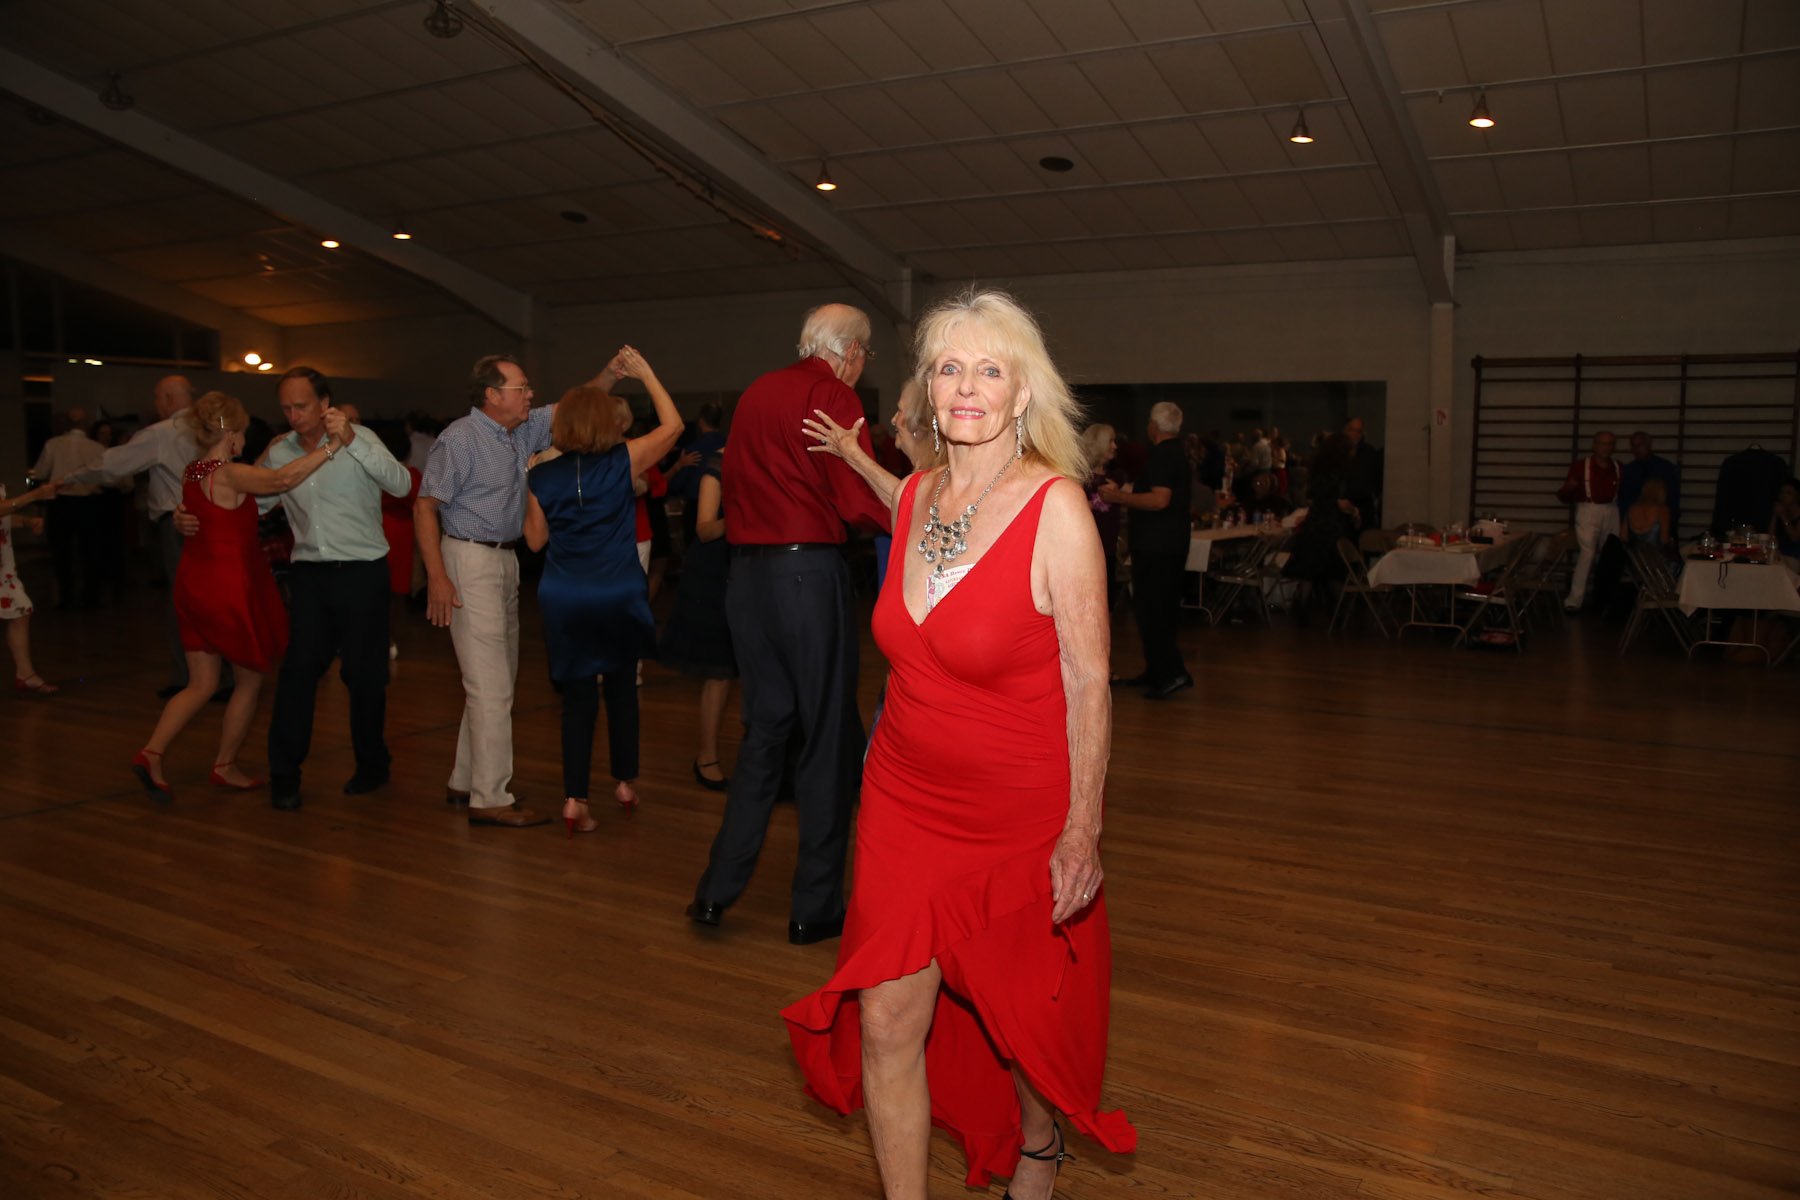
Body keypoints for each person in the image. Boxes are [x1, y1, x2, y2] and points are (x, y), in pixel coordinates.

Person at [789, 287, 1135, 1197]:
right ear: (929, 391)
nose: (968, 387)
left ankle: (1038, 1145)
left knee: (1022, 1023)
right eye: (950, 369)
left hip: (1019, 813)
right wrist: (859, 461)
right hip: (902, 801)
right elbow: (905, 517)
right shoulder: (917, 499)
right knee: (886, 1021)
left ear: (1023, 393)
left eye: (990, 370)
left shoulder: (1057, 509)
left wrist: (1083, 827)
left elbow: (1088, 681)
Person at [687, 303, 889, 942]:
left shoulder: (756, 392)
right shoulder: (832, 396)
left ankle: (716, 892)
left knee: (764, 734)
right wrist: (919, 516)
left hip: (747, 580)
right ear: (850, 352)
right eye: (865, 355)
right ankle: (815, 907)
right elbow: (855, 498)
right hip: (807, 576)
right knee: (826, 736)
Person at [418, 350, 622, 827]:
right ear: (492, 395)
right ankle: (490, 797)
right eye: (521, 388)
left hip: (504, 558)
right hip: (469, 558)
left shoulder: (520, 430)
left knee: (493, 679)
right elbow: (425, 506)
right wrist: (438, 577)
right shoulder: (460, 439)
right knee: (489, 685)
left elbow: (574, 406)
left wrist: (611, 374)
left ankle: (466, 779)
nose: (531, 395)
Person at [128, 392, 342, 801]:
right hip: (228, 586)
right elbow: (280, 481)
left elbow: (240, 485)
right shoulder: (230, 474)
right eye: (242, 432)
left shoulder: (195, 471)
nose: (244, 439)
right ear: (231, 434)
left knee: (201, 683)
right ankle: (225, 765)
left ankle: (150, 754)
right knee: (250, 677)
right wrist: (333, 446)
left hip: (194, 583)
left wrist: (264, 453)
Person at [227, 369, 414, 810]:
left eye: (302, 406)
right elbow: (251, 504)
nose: (294, 415)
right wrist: (192, 515)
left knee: (365, 676)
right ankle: (284, 775)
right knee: (298, 672)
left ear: (324, 402)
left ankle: (372, 766)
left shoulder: (361, 438)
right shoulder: (281, 451)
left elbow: (401, 484)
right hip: (310, 574)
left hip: (363, 572)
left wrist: (350, 440)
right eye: (286, 408)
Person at [523, 351, 682, 834]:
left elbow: (535, 541)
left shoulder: (540, 473)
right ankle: (625, 783)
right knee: (621, 688)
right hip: (617, 591)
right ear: (606, 422)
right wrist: (647, 374)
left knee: (577, 699)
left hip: (565, 595)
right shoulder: (622, 461)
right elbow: (674, 426)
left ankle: (575, 800)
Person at [64, 375, 229, 699]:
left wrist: (68, 478)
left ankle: (195, 680)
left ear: (167, 398)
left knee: (186, 601)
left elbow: (112, 464)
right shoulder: (214, 427)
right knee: (211, 598)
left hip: (180, 524)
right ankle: (212, 678)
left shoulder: (163, 433)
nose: (155, 404)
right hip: (216, 521)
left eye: (156, 397)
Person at [1100, 401, 1192, 699]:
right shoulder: (1176, 453)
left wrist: (1119, 498)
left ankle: (1169, 674)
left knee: (1153, 610)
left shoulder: (1163, 455)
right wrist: (1126, 492)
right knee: (1158, 609)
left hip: (1158, 546)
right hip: (1168, 544)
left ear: (1153, 426)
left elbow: (1159, 500)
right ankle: (1158, 670)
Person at [660, 448, 736, 790]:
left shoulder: (759, 461)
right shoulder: (715, 469)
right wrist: (743, 516)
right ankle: (707, 757)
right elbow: (704, 529)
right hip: (713, 577)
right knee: (719, 672)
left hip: (746, 573)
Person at [1282, 433, 1364, 620]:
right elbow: (1341, 502)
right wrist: (1353, 511)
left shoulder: (1317, 469)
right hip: (1331, 524)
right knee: (1334, 570)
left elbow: (1313, 496)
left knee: (1308, 571)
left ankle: (1302, 610)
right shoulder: (1341, 472)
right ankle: (1339, 612)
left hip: (1314, 522)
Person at [31, 408, 105, 610]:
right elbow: (105, 476)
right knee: (90, 551)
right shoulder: (97, 447)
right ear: (86, 425)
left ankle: (66, 597)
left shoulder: (53, 445)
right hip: (88, 504)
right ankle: (91, 596)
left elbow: (40, 472)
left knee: (61, 552)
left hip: (61, 504)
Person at [1, 480, 59, 696]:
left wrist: (25, 521)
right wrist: (35, 495)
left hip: (2, 564)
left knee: (20, 608)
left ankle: (25, 674)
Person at [1557, 430, 1621, 613]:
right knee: (1587, 554)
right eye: (1602, 443)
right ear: (1594, 445)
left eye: (1610, 444)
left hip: (1611, 509)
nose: (1606, 448)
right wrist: (1569, 488)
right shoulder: (1580, 466)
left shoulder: (1618, 467)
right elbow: (1563, 496)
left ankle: (1604, 599)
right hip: (1588, 509)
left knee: (1610, 555)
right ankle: (1574, 600)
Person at [1080, 423, 1124, 605]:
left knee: (1108, 602)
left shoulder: (1116, 476)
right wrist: (1101, 499)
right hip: (1087, 552)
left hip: (1109, 549)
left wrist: (1118, 495)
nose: (1115, 446)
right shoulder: (1080, 478)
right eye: (1110, 441)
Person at [1617, 431, 1680, 534]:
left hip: (1660, 521)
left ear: (1649, 445)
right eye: (1633, 446)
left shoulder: (1665, 468)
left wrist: (1671, 523)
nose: (1637, 449)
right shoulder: (1629, 470)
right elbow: (1624, 501)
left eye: (1640, 445)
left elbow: (1673, 498)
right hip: (1635, 524)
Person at [1343, 416, 1384, 527]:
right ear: (1345, 430)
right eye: (1351, 430)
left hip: (1364, 506)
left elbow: (1377, 477)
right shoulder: (1336, 451)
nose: (1354, 434)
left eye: (1358, 431)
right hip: (1341, 506)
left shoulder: (1369, 453)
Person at [1624, 477, 1675, 554]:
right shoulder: (1662, 510)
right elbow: (1664, 540)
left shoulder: (1631, 508)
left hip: (1633, 557)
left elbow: (1623, 537)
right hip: (1655, 557)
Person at [1770, 478, 1800, 566]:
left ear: (1797, 496)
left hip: (1795, 557)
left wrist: (1783, 516)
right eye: (1782, 493)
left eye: (1788, 493)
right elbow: (1771, 536)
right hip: (1780, 555)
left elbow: (1794, 538)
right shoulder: (1780, 510)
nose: (1784, 496)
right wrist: (1775, 516)